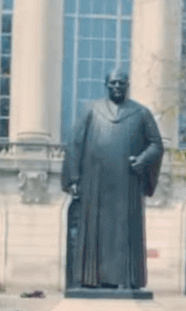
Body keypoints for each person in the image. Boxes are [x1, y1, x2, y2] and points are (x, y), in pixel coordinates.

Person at [61, 70, 163, 291]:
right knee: (93, 231)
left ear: (128, 85)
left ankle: (127, 279)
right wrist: (74, 178)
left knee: (124, 232)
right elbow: (74, 143)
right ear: (106, 84)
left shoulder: (141, 113)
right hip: (94, 182)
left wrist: (142, 160)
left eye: (122, 83)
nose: (117, 86)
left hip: (127, 183)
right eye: (113, 82)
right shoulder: (90, 110)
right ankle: (90, 279)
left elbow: (156, 145)